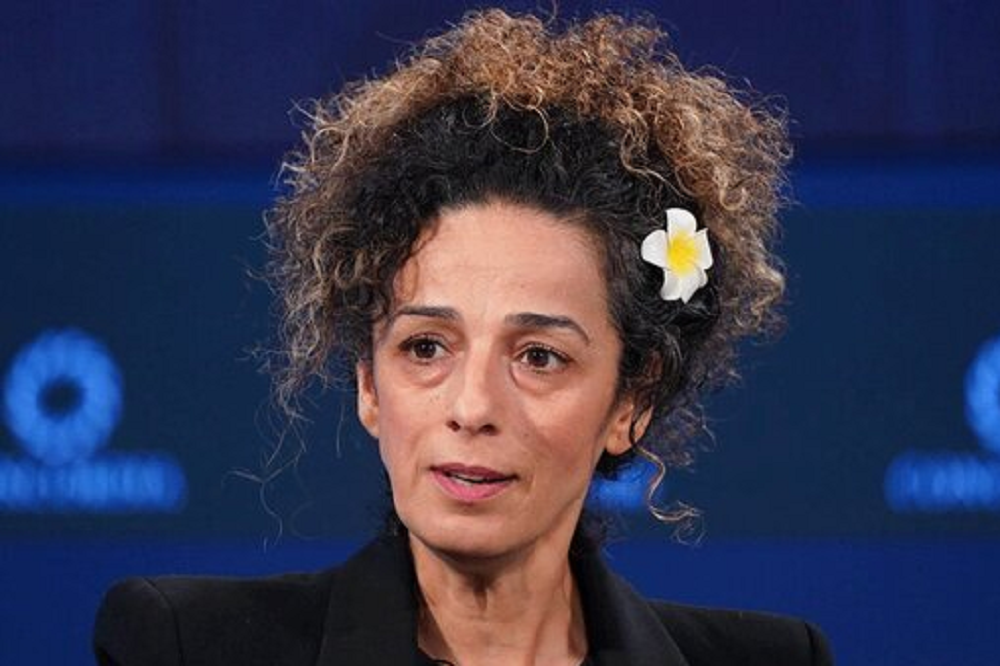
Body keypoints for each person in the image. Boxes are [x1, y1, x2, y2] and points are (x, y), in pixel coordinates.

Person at [94, 9, 832, 665]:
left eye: (539, 357)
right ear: (368, 383)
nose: (472, 407)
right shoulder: (187, 645)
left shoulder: (772, 660)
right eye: (426, 347)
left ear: (630, 403)